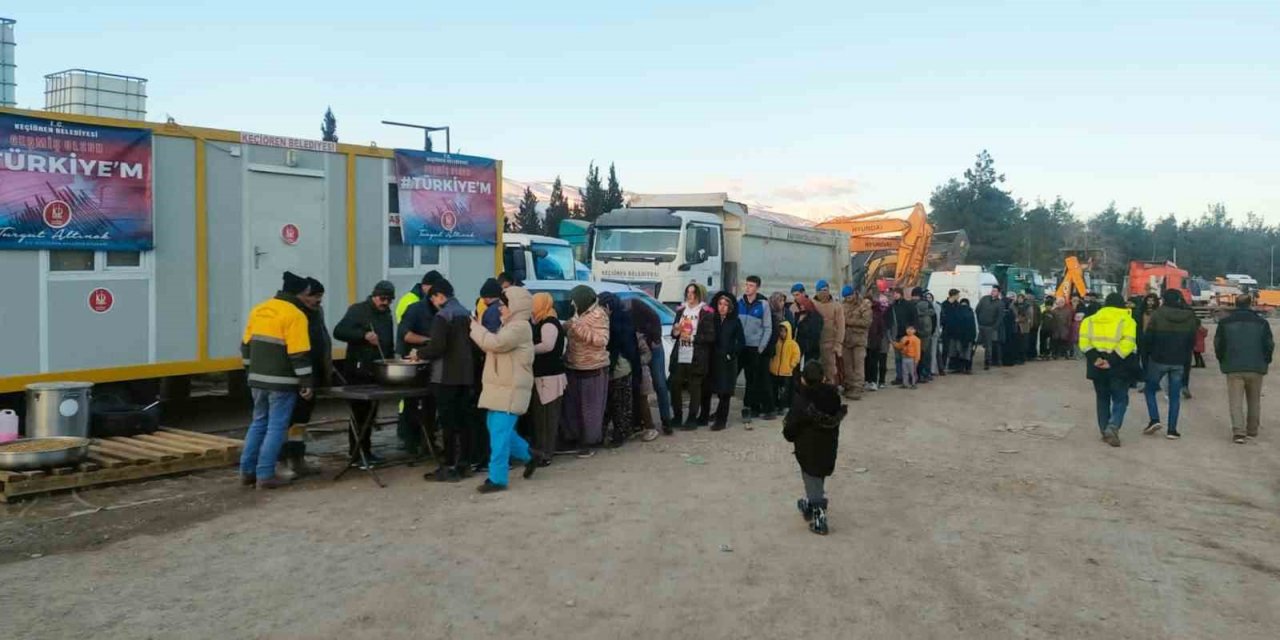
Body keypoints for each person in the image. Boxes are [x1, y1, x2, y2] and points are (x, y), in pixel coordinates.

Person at [240, 271, 313, 490]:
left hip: (257, 380)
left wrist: (250, 371)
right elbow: (299, 353)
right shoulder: (296, 315)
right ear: (301, 293)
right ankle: (265, 475)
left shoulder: (259, 309)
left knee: (258, 423)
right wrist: (306, 382)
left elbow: (245, 346)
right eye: (308, 294)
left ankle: (247, 472)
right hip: (281, 382)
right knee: (276, 427)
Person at [468, 286, 540, 493]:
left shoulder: (519, 328)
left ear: (516, 307)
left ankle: (497, 479)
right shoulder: (511, 325)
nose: (501, 308)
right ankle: (529, 455)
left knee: (499, 436)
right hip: (503, 388)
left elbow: (495, 344)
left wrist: (474, 327)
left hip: (511, 389)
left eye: (504, 305)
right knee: (497, 429)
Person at [417, 279, 478, 482]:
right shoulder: (467, 313)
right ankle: (465, 464)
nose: (433, 303)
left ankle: (449, 466)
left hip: (445, 377)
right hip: (466, 376)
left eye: (433, 299)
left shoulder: (443, 316)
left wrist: (419, 353)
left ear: (440, 296)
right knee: (465, 421)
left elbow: (437, 347)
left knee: (448, 423)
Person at [332, 280, 395, 465]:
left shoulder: (386, 314)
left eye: (389, 300)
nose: (385, 302)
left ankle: (366, 450)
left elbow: (388, 341)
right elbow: (339, 331)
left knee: (371, 413)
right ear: (374, 296)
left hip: (377, 369)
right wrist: (363, 335)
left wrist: (390, 360)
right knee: (359, 413)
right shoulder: (358, 310)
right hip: (358, 370)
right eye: (383, 298)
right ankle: (357, 453)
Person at [783, 361, 848, 536]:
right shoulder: (833, 397)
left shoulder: (802, 400)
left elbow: (790, 429)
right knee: (818, 475)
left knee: (811, 476)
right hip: (828, 446)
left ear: (804, 379)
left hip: (807, 448)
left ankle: (819, 516)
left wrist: (789, 432)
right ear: (823, 378)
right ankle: (811, 502)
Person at [280, 276, 332, 479]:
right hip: (294, 376)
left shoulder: (317, 312)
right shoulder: (294, 313)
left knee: (301, 420)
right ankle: (281, 460)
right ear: (302, 296)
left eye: (320, 296)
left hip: (313, 372)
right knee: (286, 420)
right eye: (315, 296)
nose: (318, 300)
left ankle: (298, 459)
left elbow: (323, 340)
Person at [1079, 293, 1139, 447]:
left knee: (1102, 398)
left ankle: (1104, 428)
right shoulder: (1128, 320)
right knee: (1120, 398)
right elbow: (1128, 344)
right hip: (1119, 365)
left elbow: (1084, 343)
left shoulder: (1089, 320)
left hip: (1096, 365)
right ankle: (1112, 427)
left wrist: (1096, 359)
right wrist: (1111, 361)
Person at [1214, 295, 1274, 444]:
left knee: (1235, 401)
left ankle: (1239, 432)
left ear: (1236, 304)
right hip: (1256, 366)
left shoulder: (1225, 323)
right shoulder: (1262, 322)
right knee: (1254, 400)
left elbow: (1218, 344)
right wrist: (1266, 360)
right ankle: (1252, 429)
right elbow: (1269, 344)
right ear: (1250, 304)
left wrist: (1222, 359)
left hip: (1233, 366)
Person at [1141, 289, 1199, 440]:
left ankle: (1154, 419)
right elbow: (1192, 340)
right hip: (1179, 360)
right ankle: (1172, 430)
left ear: (1164, 300)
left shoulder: (1157, 314)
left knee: (1150, 390)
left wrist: (1146, 357)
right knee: (1174, 396)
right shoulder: (1189, 316)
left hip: (1158, 359)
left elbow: (1148, 339)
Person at [396, 274, 442, 455]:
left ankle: (428, 441)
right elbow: (405, 335)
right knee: (411, 404)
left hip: (433, 364)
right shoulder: (414, 308)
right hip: (413, 365)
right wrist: (429, 341)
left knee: (431, 404)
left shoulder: (440, 309)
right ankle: (410, 442)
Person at [563, 285, 610, 453]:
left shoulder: (598, 315)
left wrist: (576, 327)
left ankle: (589, 442)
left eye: (574, 300)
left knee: (590, 409)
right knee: (573, 408)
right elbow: (572, 327)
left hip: (592, 368)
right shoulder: (578, 314)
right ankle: (575, 438)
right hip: (573, 365)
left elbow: (601, 340)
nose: (572, 304)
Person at [670, 283, 716, 430]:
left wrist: (693, 338)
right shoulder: (681, 310)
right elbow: (674, 333)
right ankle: (677, 416)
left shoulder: (706, 312)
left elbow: (710, 336)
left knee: (694, 387)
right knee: (675, 384)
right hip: (680, 353)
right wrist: (676, 331)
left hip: (696, 355)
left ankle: (691, 418)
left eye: (693, 292)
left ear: (699, 294)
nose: (690, 295)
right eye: (688, 292)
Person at [529, 292, 566, 465]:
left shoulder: (549, 323)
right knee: (542, 417)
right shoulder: (542, 321)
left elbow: (548, 345)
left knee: (547, 417)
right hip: (544, 375)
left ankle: (546, 453)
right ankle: (542, 451)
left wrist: (527, 349)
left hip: (549, 377)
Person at [600, 292, 639, 447]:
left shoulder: (614, 323)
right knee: (617, 403)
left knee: (618, 403)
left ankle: (618, 434)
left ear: (607, 307)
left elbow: (620, 346)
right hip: (621, 366)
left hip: (619, 367)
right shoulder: (623, 318)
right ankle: (618, 433)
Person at [737, 275, 775, 425]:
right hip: (740, 346)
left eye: (751, 285)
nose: (748, 288)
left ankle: (750, 407)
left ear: (757, 288)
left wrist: (761, 348)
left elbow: (767, 328)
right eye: (746, 285)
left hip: (754, 347)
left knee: (752, 379)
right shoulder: (739, 301)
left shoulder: (763, 305)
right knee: (732, 375)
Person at [703, 291, 744, 431]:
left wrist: (731, 354)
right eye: (720, 304)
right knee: (708, 389)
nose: (722, 307)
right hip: (712, 360)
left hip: (727, 362)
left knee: (725, 392)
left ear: (730, 307)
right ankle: (704, 416)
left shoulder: (735, 322)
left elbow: (741, 342)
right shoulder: (712, 320)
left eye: (725, 305)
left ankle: (721, 421)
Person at [630, 299, 666, 436]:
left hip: (651, 348)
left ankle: (664, 421)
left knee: (659, 384)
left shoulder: (634, 310)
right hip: (647, 351)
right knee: (656, 386)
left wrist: (654, 340)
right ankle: (645, 423)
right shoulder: (632, 311)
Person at [811, 279, 846, 389]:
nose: (824, 293)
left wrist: (838, 343)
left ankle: (831, 390)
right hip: (814, 343)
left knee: (830, 370)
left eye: (826, 290)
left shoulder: (836, 306)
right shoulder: (812, 304)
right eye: (821, 290)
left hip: (830, 343)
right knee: (814, 369)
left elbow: (841, 326)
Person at [841, 286, 871, 399]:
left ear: (854, 294)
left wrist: (849, 321)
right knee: (847, 365)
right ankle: (849, 386)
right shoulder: (842, 306)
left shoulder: (864, 305)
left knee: (858, 365)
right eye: (846, 297)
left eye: (850, 296)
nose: (848, 298)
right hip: (846, 340)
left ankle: (857, 388)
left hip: (859, 340)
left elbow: (867, 322)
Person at [769, 320, 802, 410]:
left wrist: (792, 364)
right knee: (774, 389)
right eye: (781, 331)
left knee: (784, 391)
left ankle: (783, 406)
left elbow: (796, 355)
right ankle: (775, 404)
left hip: (786, 372)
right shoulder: (776, 342)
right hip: (774, 371)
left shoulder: (793, 344)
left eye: (784, 331)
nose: (782, 333)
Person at [888, 288, 917, 385]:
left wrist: (912, 330)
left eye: (896, 293)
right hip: (896, 334)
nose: (895, 295)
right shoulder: (892, 306)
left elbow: (914, 318)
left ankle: (909, 377)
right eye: (894, 294)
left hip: (907, 335)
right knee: (897, 358)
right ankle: (899, 377)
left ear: (901, 294)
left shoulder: (909, 305)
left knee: (908, 356)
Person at [942, 293, 977, 374]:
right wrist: (974, 337)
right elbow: (975, 325)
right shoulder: (971, 312)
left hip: (958, 336)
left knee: (958, 352)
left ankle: (958, 368)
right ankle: (968, 368)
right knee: (967, 353)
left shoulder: (956, 311)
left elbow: (952, 323)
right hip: (969, 336)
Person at [975, 286, 1004, 370]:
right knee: (975, 343)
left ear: (998, 293)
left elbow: (1000, 317)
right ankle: (968, 361)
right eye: (992, 290)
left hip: (990, 327)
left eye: (995, 291)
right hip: (980, 325)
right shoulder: (984, 299)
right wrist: (978, 322)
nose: (992, 292)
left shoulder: (1000, 303)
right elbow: (977, 310)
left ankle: (987, 362)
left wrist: (994, 327)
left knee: (988, 346)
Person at [865, 294, 890, 390]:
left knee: (874, 363)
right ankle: (867, 381)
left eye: (868, 302)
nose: (866, 304)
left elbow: (881, 328)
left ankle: (874, 381)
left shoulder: (877, 313)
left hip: (875, 342)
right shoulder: (861, 312)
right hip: (865, 341)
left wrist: (878, 338)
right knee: (866, 363)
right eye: (865, 302)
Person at [910, 288, 936, 382]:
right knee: (924, 355)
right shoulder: (928, 305)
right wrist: (931, 331)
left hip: (914, 333)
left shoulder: (911, 305)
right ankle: (924, 374)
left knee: (915, 355)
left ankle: (915, 375)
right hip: (926, 334)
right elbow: (934, 319)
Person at [794, 295, 824, 369]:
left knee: (810, 368)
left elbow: (815, 333)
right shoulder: (799, 315)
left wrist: (801, 323)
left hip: (811, 348)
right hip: (799, 347)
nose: (801, 307)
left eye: (802, 305)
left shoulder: (816, 317)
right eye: (799, 305)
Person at [892, 325, 922, 389]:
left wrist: (917, 359)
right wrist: (895, 344)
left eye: (911, 329)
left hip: (912, 358)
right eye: (908, 329)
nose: (909, 330)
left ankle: (914, 384)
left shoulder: (916, 339)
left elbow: (917, 350)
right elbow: (900, 346)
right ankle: (905, 384)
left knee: (913, 372)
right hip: (904, 357)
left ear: (914, 331)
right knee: (904, 372)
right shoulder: (904, 338)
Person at [1015, 293, 1035, 364]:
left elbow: (1029, 317)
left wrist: (1019, 319)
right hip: (1017, 327)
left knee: (1024, 343)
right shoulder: (1015, 305)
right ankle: (1018, 358)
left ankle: (1023, 358)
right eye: (1018, 298)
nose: (1019, 299)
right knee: (1018, 343)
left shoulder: (1027, 306)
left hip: (1025, 327)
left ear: (1023, 299)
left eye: (1021, 298)